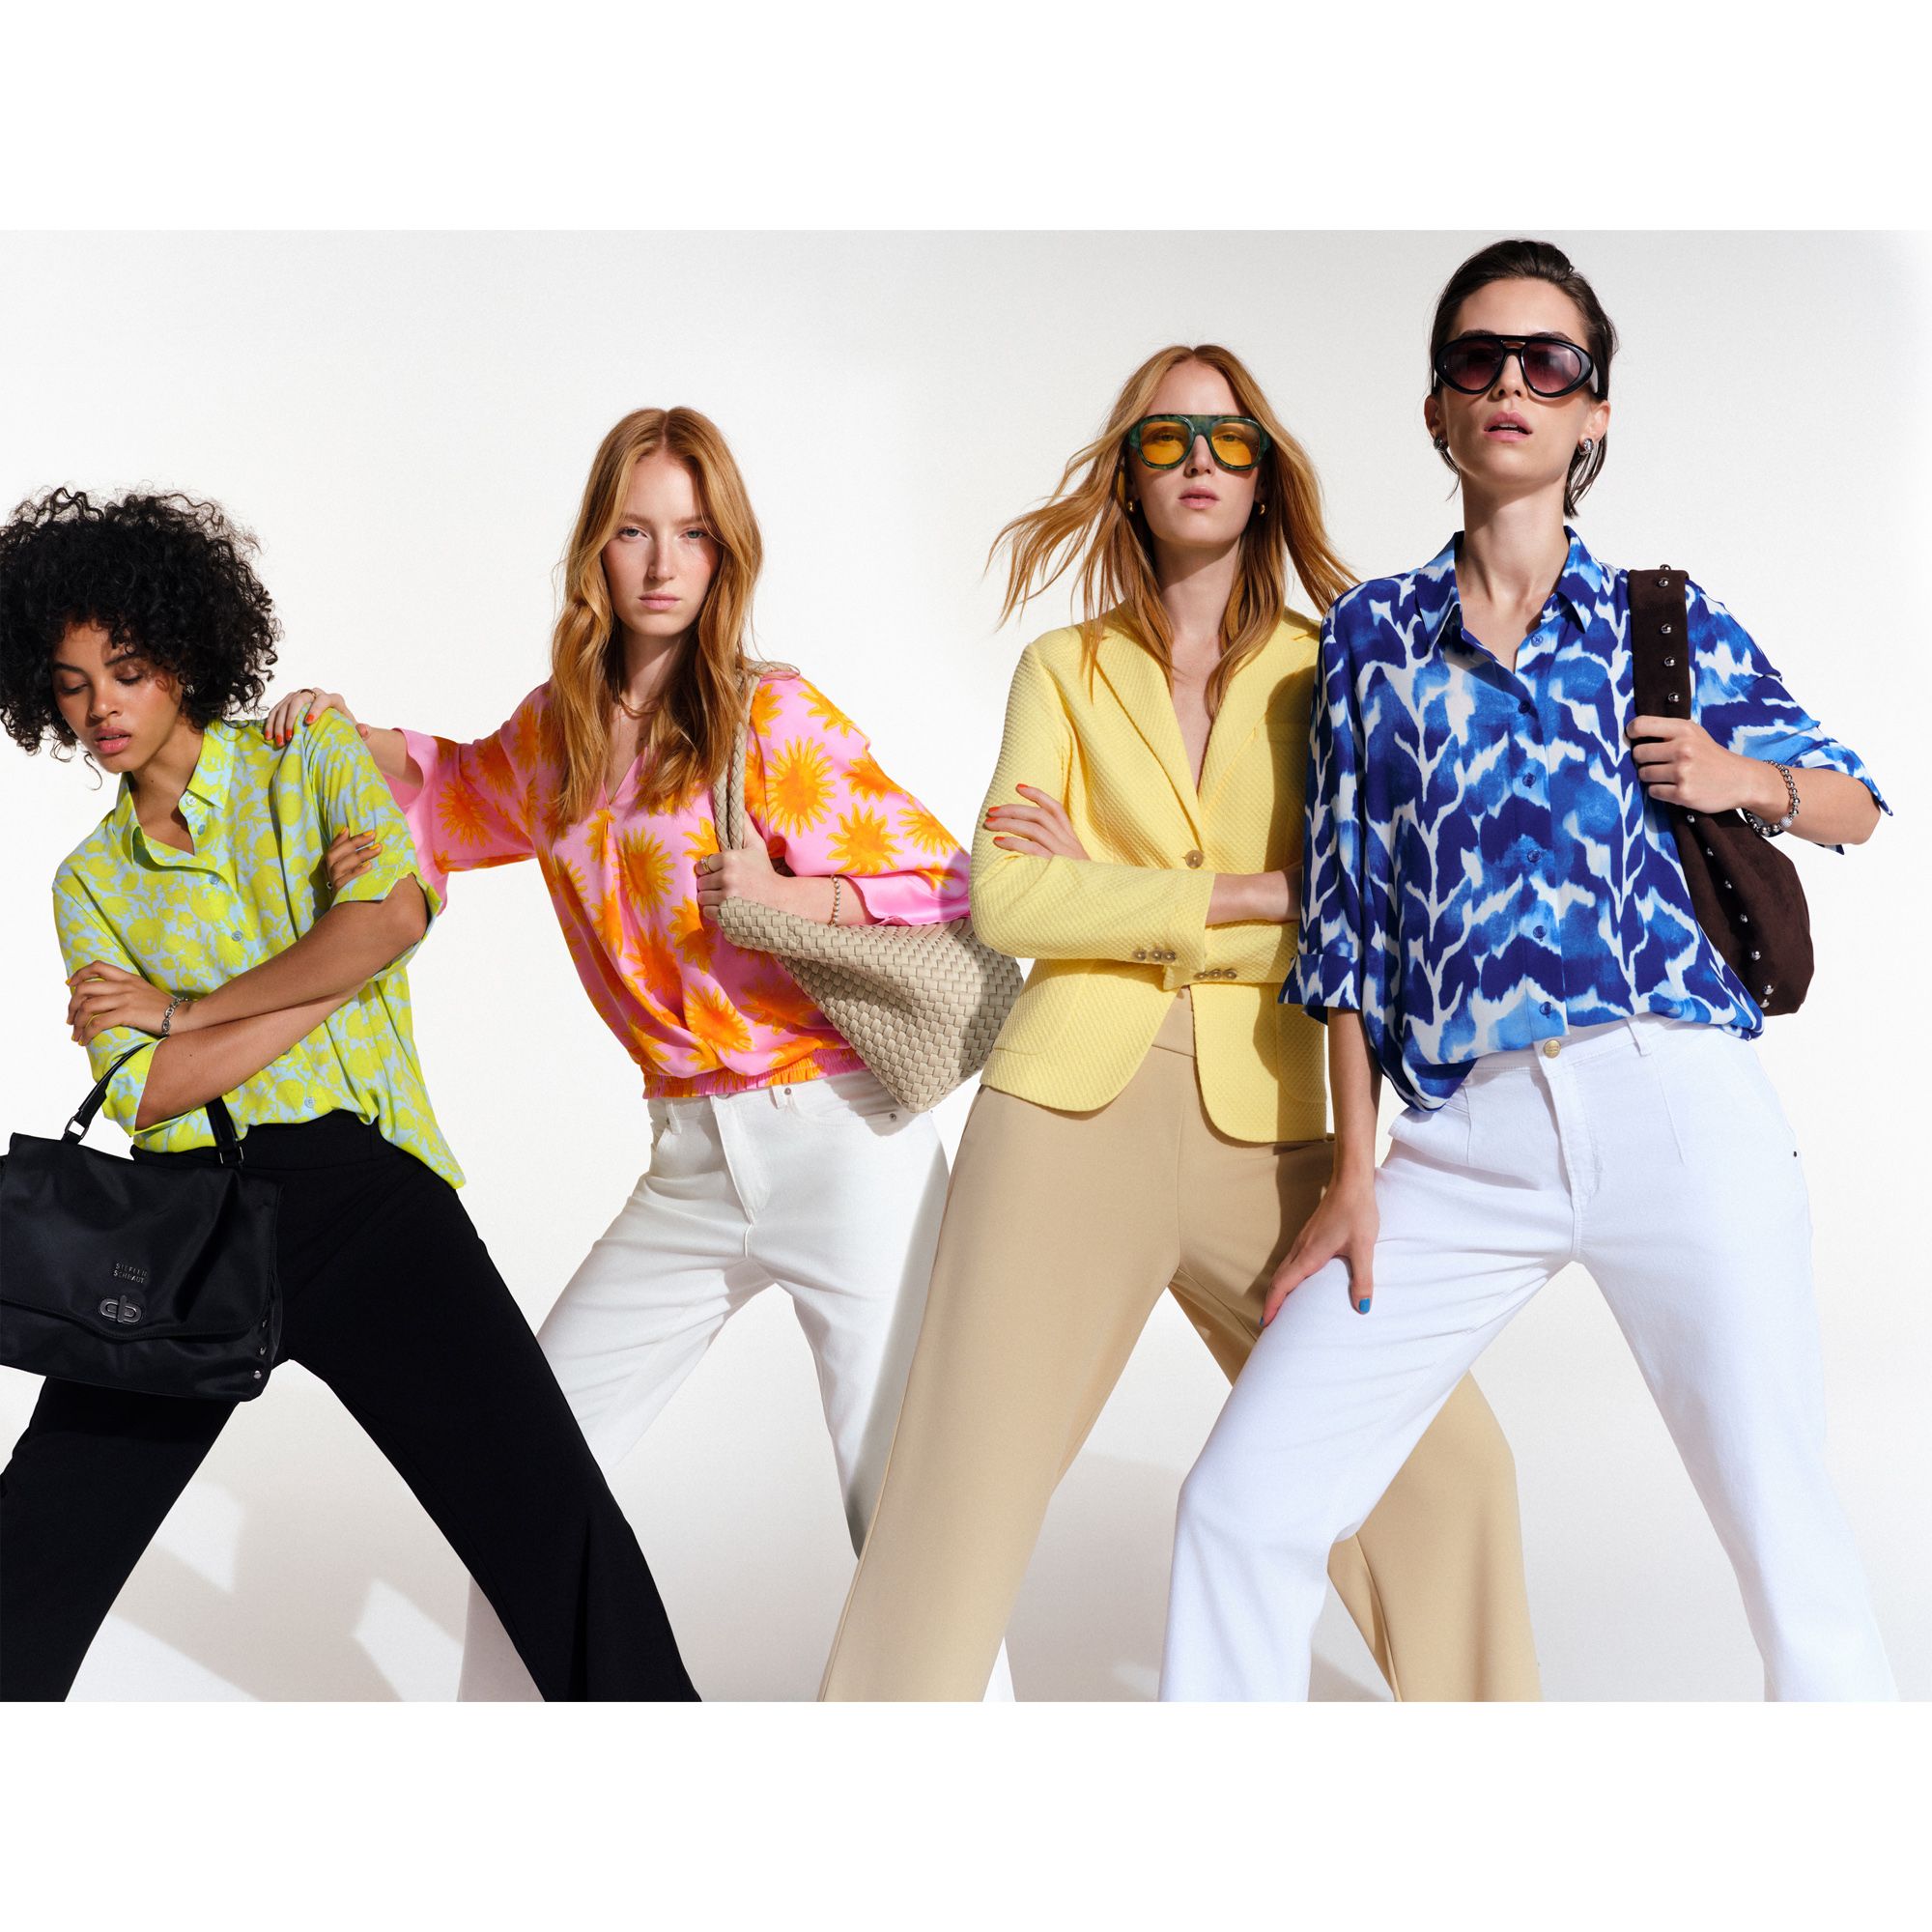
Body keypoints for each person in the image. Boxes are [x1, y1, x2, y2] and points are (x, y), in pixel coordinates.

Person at [1161, 241, 1897, 1701]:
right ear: (1437, 408)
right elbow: (1347, 923)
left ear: (1590, 414)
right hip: (1463, 1137)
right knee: (1241, 1506)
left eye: (1547, 363)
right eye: (1475, 359)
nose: (1510, 382)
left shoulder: (1657, 620)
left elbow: (1856, 805)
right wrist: (1355, 1172)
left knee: (1784, 1533)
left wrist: (1738, 775)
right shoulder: (1371, 637)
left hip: (1672, 1098)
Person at [818, 344, 1541, 1700]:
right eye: (1164, 440)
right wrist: (1257, 890)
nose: (1197, 462)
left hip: (1278, 1127)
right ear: (1128, 480)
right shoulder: (1064, 668)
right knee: (950, 1500)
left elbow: (1371, 900)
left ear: (1264, 476)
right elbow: (1010, 897)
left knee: (1447, 1465)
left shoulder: (1336, 665)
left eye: (1226, 439)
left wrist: (1115, 888)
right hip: (1061, 1119)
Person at [268, 406, 1006, 1698]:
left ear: (727, 554)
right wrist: (342, 731)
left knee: (899, 1509)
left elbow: (950, 883)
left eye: (694, 534)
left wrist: (800, 892)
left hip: (840, 1142)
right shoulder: (557, 732)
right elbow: (451, 792)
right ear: (594, 551)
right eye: (633, 532)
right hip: (690, 1162)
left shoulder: (769, 717)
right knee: (525, 1474)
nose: (664, 564)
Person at [0, 487, 695, 1700]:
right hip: (187, 1226)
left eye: (128, 668)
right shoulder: (89, 880)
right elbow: (150, 1091)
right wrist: (324, 972)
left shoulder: (306, 754)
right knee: (27, 1561)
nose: (102, 704)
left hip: (368, 1198)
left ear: (185, 653)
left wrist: (187, 1005)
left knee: (553, 1522)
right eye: (71, 684)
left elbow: (390, 918)